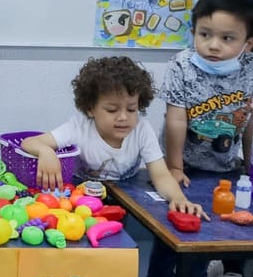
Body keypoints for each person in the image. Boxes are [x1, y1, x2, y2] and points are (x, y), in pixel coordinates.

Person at [146, 0, 253, 277]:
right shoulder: (183, 64)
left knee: (210, 232)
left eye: (227, 38)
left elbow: (251, 119)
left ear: (248, 44)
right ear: (194, 31)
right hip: (182, 165)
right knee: (172, 228)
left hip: (225, 166)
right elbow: (176, 117)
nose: (213, 45)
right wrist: (174, 166)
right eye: (205, 34)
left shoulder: (252, 69)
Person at [22, 57, 205, 215]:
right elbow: (29, 142)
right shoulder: (79, 127)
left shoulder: (142, 129)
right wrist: (46, 151)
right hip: (80, 197)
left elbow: (161, 176)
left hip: (126, 195)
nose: (123, 117)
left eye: (132, 109)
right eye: (112, 109)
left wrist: (178, 198)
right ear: (90, 108)